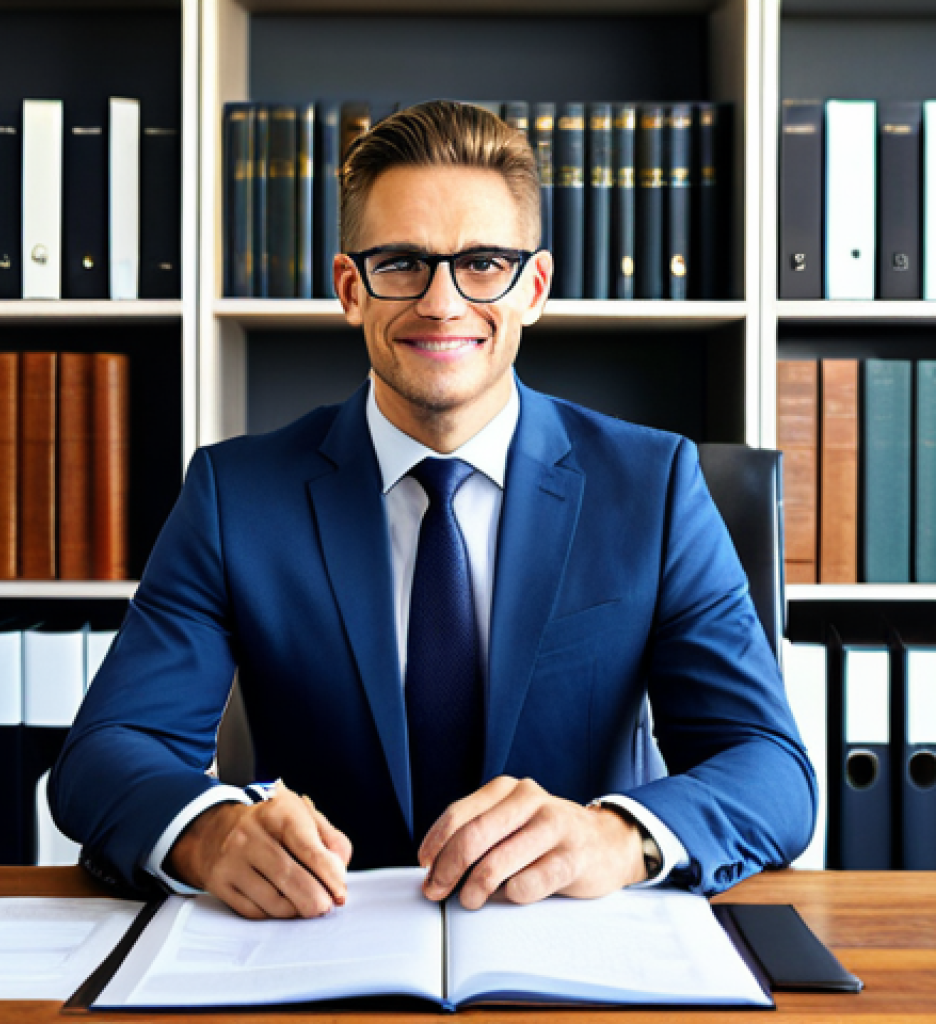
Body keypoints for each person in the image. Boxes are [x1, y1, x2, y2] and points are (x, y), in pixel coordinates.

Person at [50, 100, 816, 921]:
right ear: (351, 289)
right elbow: (103, 756)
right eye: (403, 263)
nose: (443, 303)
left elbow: (769, 767)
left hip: (573, 950)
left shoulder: (654, 486)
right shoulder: (235, 495)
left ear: (536, 288)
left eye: (484, 263)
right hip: (316, 947)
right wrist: (211, 833)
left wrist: (617, 837)